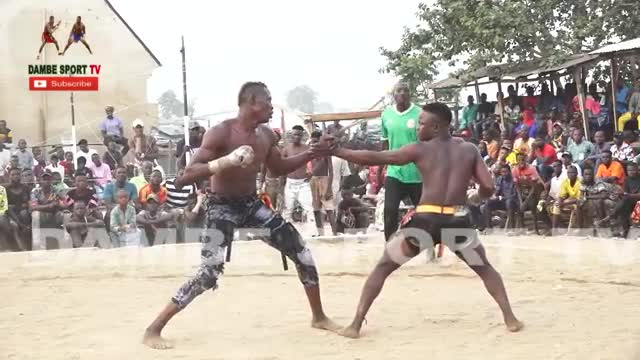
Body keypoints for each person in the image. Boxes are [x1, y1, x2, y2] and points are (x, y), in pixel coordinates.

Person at [142, 82, 338, 350]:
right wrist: (225, 161)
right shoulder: (221, 132)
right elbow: (182, 178)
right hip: (220, 206)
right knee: (208, 274)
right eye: (267, 101)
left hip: (250, 204)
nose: (271, 106)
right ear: (252, 102)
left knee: (301, 252)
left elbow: (278, 168)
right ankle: (154, 328)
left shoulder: (267, 135)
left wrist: (313, 153)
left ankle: (319, 317)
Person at [329, 102, 522, 338]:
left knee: (382, 268)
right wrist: (475, 197)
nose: (417, 127)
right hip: (457, 223)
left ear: (437, 127)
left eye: (421, 124)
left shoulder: (420, 149)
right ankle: (510, 318)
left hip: (425, 224)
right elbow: (489, 187)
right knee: (485, 270)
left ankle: (356, 324)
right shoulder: (469, 150)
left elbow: (377, 157)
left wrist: (338, 151)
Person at [378, 82, 422, 241]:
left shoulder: (420, 113)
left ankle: (430, 251)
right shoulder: (386, 115)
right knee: (389, 211)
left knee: (424, 213)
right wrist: (381, 168)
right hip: (394, 171)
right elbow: (384, 143)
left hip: (417, 172)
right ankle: (389, 248)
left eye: (406, 90)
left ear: (410, 94)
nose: (402, 93)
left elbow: (426, 143)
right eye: (399, 90)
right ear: (393, 95)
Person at [282, 125, 314, 223]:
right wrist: (282, 182)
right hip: (290, 183)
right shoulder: (286, 149)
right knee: (287, 210)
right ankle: (288, 235)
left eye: (299, 135)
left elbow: (314, 162)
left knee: (309, 209)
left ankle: (312, 233)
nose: (296, 137)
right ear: (291, 135)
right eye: (295, 134)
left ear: (302, 136)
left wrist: (311, 173)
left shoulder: (307, 148)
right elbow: (281, 165)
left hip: (303, 183)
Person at [309, 130, 335, 236]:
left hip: (324, 179)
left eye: (316, 142)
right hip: (313, 179)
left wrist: (329, 187)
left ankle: (334, 232)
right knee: (316, 208)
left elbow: (331, 171)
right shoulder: (310, 152)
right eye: (312, 142)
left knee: (329, 207)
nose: (314, 144)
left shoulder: (325, 153)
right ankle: (320, 232)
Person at [551, 165, 582, 230]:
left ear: (577, 173)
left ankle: (579, 228)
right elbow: (561, 195)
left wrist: (564, 203)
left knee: (578, 205)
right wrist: (560, 202)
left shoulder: (581, 181)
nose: (571, 174)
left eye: (573, 172)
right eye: (569, 173)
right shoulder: (565, 181)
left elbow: (579, 199)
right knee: (556, 206)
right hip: (571, 200)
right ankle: (554, 229)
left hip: (580, 202)